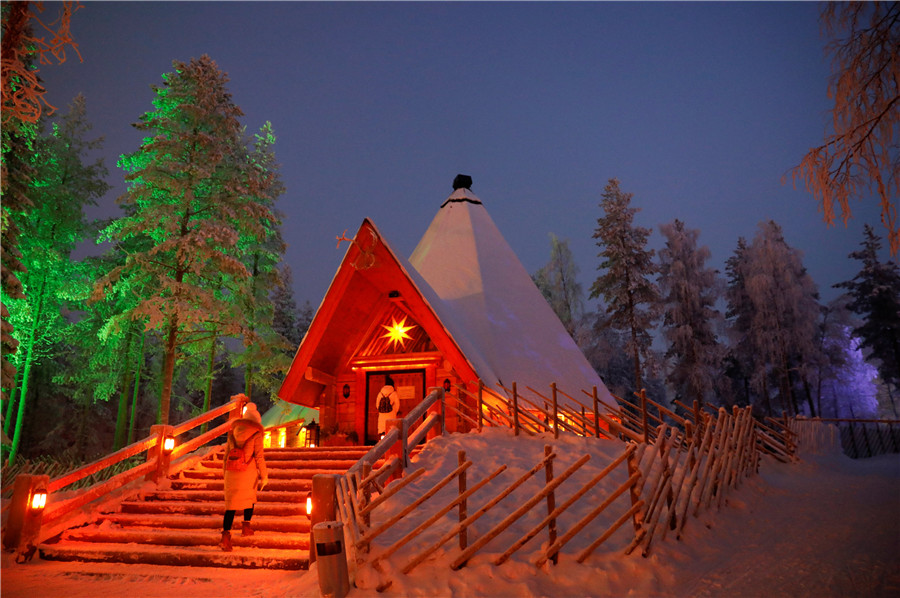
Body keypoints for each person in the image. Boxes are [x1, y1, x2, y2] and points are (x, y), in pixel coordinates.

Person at [221, 402, 267, 552]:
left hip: (231, 472)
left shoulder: (233, 432)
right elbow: (259, 457)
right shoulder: (256, 434)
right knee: (250, 498)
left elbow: (226, 455)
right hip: (248, 472)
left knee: (231, 506)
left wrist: (225, 474)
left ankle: (226, 536)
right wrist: (264, 476)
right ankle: (246, 526)